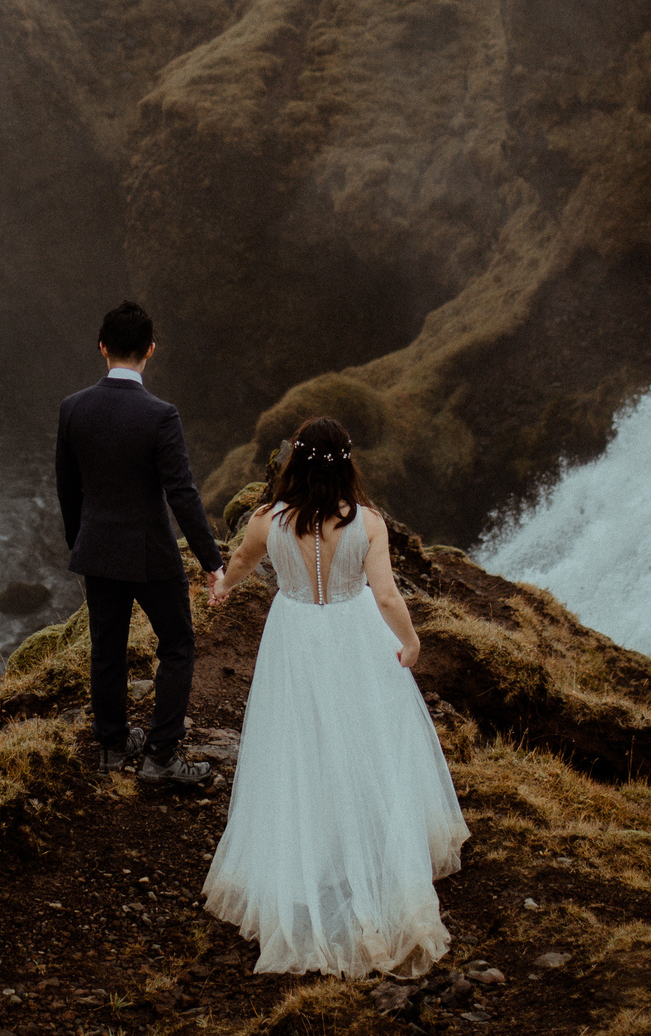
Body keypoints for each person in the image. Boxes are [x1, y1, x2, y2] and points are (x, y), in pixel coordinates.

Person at [202, 417, 469, 977]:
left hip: (294, 635)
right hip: (354, 631)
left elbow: (246, 564)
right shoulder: (367, 523)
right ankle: (372, 844)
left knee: (297, 741)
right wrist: (412, 641)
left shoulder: (266, 520)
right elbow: (388, 595)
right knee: (370, 735)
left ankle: (307, 852)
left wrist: (223, 587)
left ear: (294, 462)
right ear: (348, 463)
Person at [55, 299, 225, 786]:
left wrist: (81, 543)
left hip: (98, 550)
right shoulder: (160, 415)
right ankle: (161, 757)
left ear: (102, 347)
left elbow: (68, 489)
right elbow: (183, 494)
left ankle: (111, 745)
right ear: (150, 349)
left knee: (106, 648)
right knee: (176, 645)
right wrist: (211, 560)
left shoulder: (73, 408)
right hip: (151, 553)